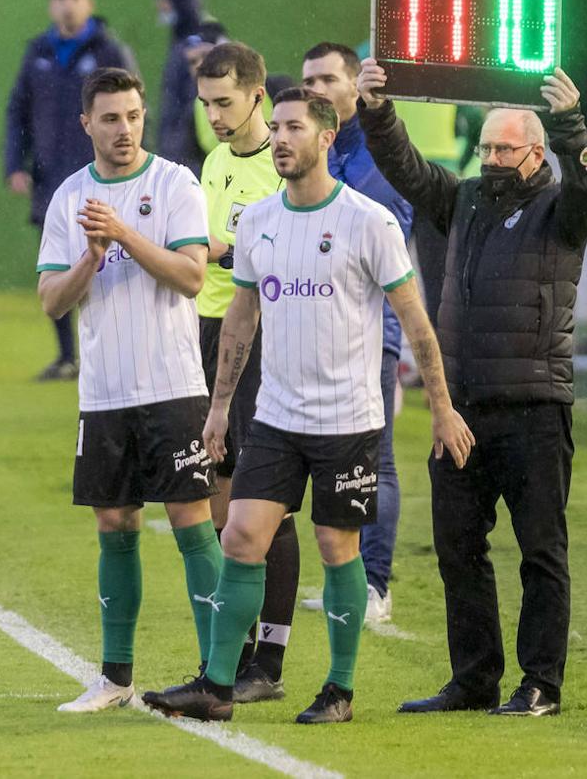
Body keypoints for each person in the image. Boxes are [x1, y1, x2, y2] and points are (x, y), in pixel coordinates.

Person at [144, 88, 473, 724]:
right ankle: (217, 686)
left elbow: (417, 322)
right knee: (241, 537)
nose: (282, 138)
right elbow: (240, 318)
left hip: (347, 420)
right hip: (275, 417)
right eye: (277, 127)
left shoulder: (367, 221)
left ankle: (340, 691)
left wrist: (441, 406)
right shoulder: (260, 219)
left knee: (335, 545)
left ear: (327, 138)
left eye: (294, 127)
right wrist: (218, 410)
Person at [356, 57, 587, 717]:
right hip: (460, 410)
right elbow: (407, 170)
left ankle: (541, 684)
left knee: (541, 551)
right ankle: (473, 680)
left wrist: (573, 126)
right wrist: (377, 114)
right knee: (458, 550)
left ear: (535, 152)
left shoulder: (561, 211)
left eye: (505, 148)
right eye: (486, 145)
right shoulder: (464, 200)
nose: (491, 156)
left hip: (534, 407)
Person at [37, 67, 220, 714]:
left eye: (133, 116)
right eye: (110, 118)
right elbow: (52, 302)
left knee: (190, 519)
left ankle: (216, 676)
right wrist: (89, 256)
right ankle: (116, 679)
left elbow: (193, 276)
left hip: (172, 386)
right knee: (114, 522)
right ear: (87, 122)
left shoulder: (174, 183)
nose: (124, 129)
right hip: (104, 392)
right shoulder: (69, 197)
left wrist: (123, 235)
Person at [192, 42, 297, 703]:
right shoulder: (212, 161)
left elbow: (281, 263)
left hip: (261, 339)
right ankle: (240, 645)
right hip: (206, 334)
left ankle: (270, 662)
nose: (215, 116)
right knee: (218, 500)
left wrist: (227, 251)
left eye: (224, 102)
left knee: (267, 504)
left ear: (258, 95)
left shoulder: (281, 170)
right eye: (206, 105)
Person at [299, 42, 414, 626]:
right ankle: (343, 578)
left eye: (327, 79)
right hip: (312, 328)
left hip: (371, 329)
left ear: (354, 87)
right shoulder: (312, 150)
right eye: (307, 80)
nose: (315, 89)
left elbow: (378, 233)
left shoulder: (378, 153)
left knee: (377, 459)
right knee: (327, 457)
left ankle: (375, 584)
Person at [4, 0, 137, 381]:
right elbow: (17, 109)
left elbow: (135, 104)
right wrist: (15, 164)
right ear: (51, 5)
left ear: (89, 2)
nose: (68, 5)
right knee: (57, 265)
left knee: (114, 261)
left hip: (103, 177)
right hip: (51, 180)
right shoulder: (38, 52)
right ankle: (66, 357)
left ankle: (119, 354)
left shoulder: (108, 49)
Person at [153, 0, 208, 173]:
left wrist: (175, 153)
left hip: (189, 161)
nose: (159, 5)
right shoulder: (182, 42)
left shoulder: (195, 45)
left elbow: (193, 105)